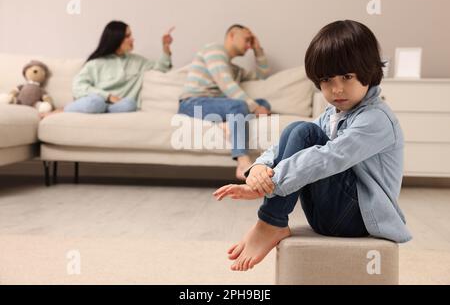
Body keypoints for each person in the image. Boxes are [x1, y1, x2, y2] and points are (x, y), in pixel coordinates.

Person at [213, 20, 412, 272]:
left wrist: (269, 186)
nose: (336, 88)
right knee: (299, 129)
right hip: (327, 216)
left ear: (369, 71)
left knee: (306, 134)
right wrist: (260, 169)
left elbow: (329, 158)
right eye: (327, 79)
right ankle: (271, 222)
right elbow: (290, 143)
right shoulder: (334, 112)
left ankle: (270, 222)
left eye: (347, 76)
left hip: (359, 220)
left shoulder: (376, 119)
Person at [178, 24, 272, 180]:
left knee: (263, 102)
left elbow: (263, 77)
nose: (248, 45)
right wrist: (255, 108)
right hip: (192, 103)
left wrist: (257, 49)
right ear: (232, 35)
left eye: (251, 42)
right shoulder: (214, 50)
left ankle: (227, 122)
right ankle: (242, 161)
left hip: (217, 104)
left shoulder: (236, 70)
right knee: (241, 105)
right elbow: (227, 85)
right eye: (247, 39)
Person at [63, 21, 174, 114]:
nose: (132, 39)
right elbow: (78, 86)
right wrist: (108, 96)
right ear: (116, 39)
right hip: (96, 102)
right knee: (96, 102)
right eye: (127, 36)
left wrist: (165, 47)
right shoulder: (95, 63)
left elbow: (161, 68)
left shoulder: (137, 61)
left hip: (117, 107)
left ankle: (104, 111)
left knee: (130, 104)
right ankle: (68, 109)